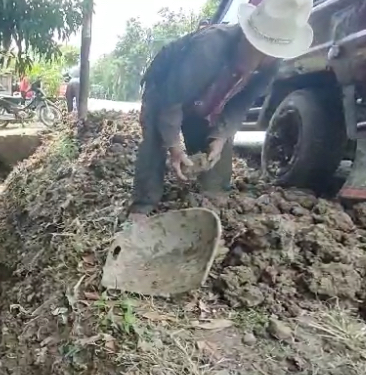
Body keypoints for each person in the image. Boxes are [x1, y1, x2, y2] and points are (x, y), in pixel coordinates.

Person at [130, 0, 314, 221]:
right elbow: (171, 101)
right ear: (246, 36)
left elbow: (241, 105)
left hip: (207, 102)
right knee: (155, 139)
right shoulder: (209, 46)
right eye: (259, 50)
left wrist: (220, 137)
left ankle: (214, 198)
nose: (264, 60)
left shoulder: (271, 65)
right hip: (165, 89)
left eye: (271, 54)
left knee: (215, 155)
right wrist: (174, 146)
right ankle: (142, 205)